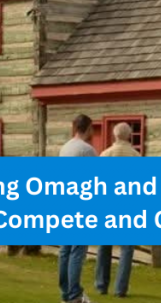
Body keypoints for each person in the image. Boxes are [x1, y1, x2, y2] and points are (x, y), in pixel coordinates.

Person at [96, 123, 138, 297]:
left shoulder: (105, 155)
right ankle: (120, 288)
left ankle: (101, 285)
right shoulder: (135, 156)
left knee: (104, 246)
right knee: (127, 249)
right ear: (129, 136)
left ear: (115, 135)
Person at [58, 115, 97, 303]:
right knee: (77, 250)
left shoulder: (65, 148)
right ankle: (74, 295)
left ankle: (66, 292)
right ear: (88, 128)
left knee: (65, 249)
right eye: (92, 128)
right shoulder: (87, 150)